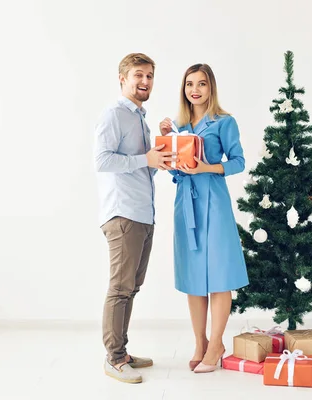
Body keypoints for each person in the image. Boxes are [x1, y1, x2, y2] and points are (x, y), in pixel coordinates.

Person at [159, 63, 249, 373]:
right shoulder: (180, 126)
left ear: (211, 88)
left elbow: (238, 162)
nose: (194, 90)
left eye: (201, 84)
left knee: (219, 274)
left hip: (215, 202)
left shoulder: (224, 122)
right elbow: (175, 168)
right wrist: (166, 143)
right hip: (186, 203)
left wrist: (206, 167)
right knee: (194, 276)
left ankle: (216, 343)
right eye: (189, 84)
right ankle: (200, 342)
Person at [94, 53, 176, 384]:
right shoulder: (114, 114)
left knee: (132, 287)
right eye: (138, 75)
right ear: (122, 78)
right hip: (123, 214)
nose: (145, 82)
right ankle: (113, 359)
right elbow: (102, 161)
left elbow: (142, 167)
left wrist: (159, 152)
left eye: (150, 76)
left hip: (143, 214)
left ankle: (122, 353)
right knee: (120, 287)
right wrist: (146, 158)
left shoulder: (141, 118)